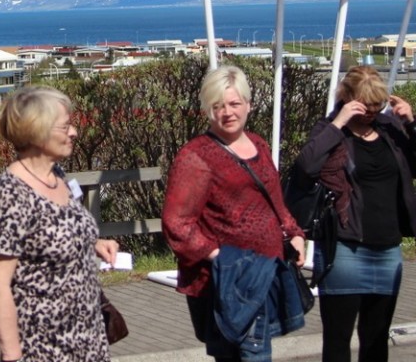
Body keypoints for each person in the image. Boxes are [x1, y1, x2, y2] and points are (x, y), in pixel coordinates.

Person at [162, 65, 306, 362]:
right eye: (218, 106)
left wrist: (294, 233)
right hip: (228, 282)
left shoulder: (258, 144)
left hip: (266, 274)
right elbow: (176, 223)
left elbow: (274, 201)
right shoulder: (196, 156)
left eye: (234, 104)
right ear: (208, 110)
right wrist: (222, 258)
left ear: (248, 105)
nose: (227, 112)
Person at [0, 86, 119, 362]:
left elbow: (58, 231)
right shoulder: (10, 195)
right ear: (38, 131)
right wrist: (12, 355)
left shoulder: (57, 175)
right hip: (43, 347)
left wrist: (93, 243)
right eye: (65, 126)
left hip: (89, 339)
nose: (74, 133)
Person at [293, 65, 416, 362]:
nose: (371, 111)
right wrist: (339, 122)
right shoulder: (330, 129)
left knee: (376, 339)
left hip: (387, 248)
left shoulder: (389, 127)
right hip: (344, 249)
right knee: (338, 340)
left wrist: (411, 123)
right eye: (365, 104)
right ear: (348, 98)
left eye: (377, 104)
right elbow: (306, 167)